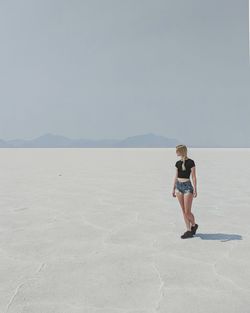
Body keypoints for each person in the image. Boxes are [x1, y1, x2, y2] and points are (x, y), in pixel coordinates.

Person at [172, 144, 198, 239]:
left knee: (187, 211)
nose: (176, 152)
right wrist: (173, 188)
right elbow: (176, 176)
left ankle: (194, 225)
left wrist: (195, 188)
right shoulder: (177, 163)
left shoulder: (191, 162)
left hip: (187, 187)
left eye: (177, 151)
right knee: (183, 211)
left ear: (182, 151)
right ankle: (188, 230)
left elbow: (194, 177)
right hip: (179, 187)